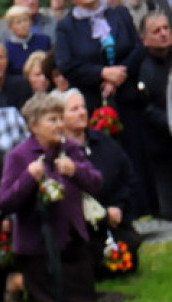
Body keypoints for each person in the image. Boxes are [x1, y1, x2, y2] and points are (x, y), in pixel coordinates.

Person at [0, 91, 127, 302]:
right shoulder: (19, 156)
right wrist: (29, 178)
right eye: (51, 120)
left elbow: (96, 182)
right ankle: (19, 281)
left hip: (72, 239)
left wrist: (75, 170)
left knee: (84, 300)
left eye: (59, 119)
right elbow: (4, 201)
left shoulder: (71, 149)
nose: (58, 125)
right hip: (39, 246)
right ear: (34, 126)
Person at [54, 0, 152, 213]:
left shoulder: (119, 14)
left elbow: (137, 47)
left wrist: (119, 74)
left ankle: (143, 208)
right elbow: (66, 64)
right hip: (92, 102)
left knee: (135, 150)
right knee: (105, 155)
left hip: (126, 97)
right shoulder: (66, 26)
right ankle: (112, 209)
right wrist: (102, 74)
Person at [61, 88, 142, 276]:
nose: (82, 112)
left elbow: (127, 176)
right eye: (74, 109)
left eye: (82, 107)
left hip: (114, 220)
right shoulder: (59, 151)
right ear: (60, 116)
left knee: (127, 260)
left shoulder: (104, 141)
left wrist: (118, 206)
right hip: (82, 227)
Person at [137, 10, 172, 220]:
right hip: (162, 149)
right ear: (145, 39)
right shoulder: (144, 69)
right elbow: (148, 108)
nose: (163, 34)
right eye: (156, 31)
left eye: (166, 28)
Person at [3, 6, 53, 77]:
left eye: (25, 20)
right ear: (11, 27)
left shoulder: (44, 41)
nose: (23, 25)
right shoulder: (6, 49)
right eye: (18, 22)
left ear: (31, 22)